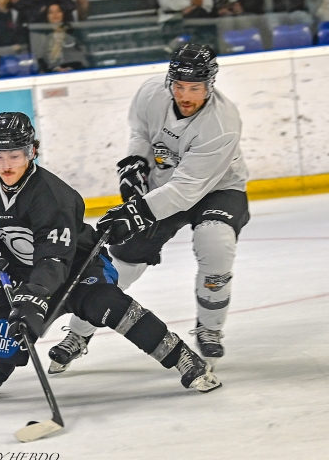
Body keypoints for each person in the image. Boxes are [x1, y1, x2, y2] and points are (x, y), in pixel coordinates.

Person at [0, 112, 221, 399]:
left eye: (14, 156)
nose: (5, 165)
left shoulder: (53, 196)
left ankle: (182, 357)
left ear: (32, 152)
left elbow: (54, 259)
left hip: (79, 270)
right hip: (23, 280)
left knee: (108, 304)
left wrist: (34, 296)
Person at [48, 44, 249, 374]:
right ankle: (79, 332)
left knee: (216, 245)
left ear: (210, 85)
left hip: (218, 190)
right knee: (122, 261)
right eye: (179, 86)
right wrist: (134, 163)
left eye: (194, 88)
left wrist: (137, 212)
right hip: (161, 188)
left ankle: (209, 327)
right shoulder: (151, 93)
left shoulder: (223, 123)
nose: (185, 95)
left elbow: (187, 191)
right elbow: (141, 131)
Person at [31, 3, 87, 73]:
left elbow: (81, 56)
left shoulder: (73, 34)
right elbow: (40, 59)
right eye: (51, 12)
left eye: (58, 11)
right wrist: (56, 68)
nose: (55, 14)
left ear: (63, 14)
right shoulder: (41, 37)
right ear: (47, 16)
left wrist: (69, 68)